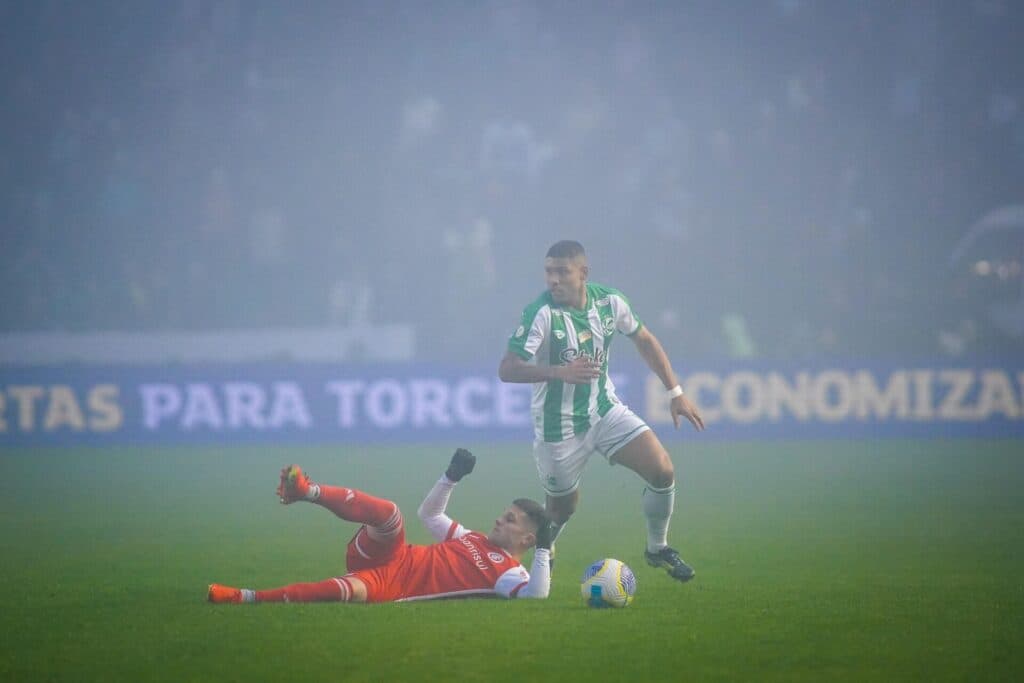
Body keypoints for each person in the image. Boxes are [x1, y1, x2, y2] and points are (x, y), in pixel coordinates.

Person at [498, 240, 705, 582]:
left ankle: (657, 548)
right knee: (562, 509)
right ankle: (543, 553)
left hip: (604, 411)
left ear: (583, 273)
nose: (553, 280)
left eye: (562, 272)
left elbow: (645, 339)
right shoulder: (540, 313)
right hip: (558, 427)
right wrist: (558, 372)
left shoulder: (609, 302)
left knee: (662, 471)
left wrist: (676, 393)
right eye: (549, 272)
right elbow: (507, 369)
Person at [208, 449, 552, 603]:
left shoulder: (510, 574)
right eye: (503, 513)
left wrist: (545, 549)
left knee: (345, 592)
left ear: (527, 538)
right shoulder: (473, 538)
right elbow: (429, 516)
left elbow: (537, 596)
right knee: (390, 514)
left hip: (392, 586)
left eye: (510, 520)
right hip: (392, 554)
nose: (498, 519)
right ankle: (305, 490)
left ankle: (245, 597)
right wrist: (450, 478)